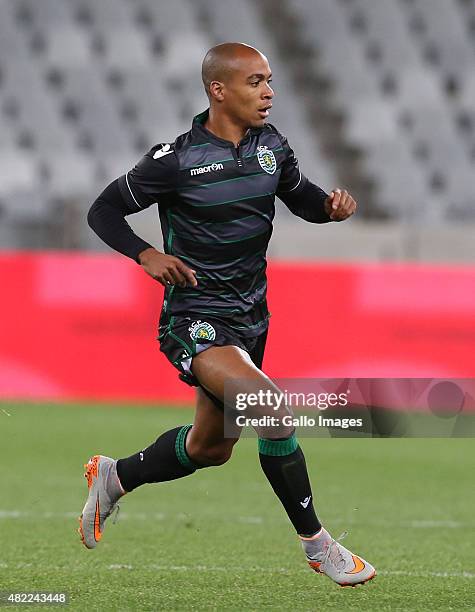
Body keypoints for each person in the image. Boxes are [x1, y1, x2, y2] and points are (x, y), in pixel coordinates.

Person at [79, 42, 376, 587]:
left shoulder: (271, 147)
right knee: (273, 410)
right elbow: (102, 210)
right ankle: (318, 545)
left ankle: (115, 477)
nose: (268, 93)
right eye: (255, 82)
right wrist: (146, 253)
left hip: (250, 317)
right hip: (194, 315)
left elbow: (303, 198)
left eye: (269, 80)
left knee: (209, 449)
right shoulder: (175, 160)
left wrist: (329, 211)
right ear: (219, 90)